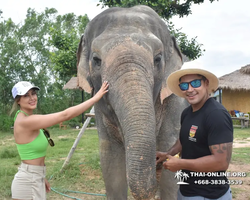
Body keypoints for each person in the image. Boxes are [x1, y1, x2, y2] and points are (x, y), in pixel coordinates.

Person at [10, 80, 109, 200]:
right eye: (26, 95)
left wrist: (41, 177)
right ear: (18, 100)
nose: (32, 98)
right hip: (27, 182)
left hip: (34, 177)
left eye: (33, 93)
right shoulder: (25, 121)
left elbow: (31, 158)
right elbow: (65, 115)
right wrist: (95, 98)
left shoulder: (26, 117)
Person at [156, 60, 233, 200]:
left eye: (195, 83)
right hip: (187, 190)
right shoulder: (187, 113)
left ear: (206, 83)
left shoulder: (216, 115)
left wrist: (181, 164)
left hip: (209, 194)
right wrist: (167, 154)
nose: (190, 89)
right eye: (184, 85)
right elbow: (184, 139)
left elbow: (221, 162)